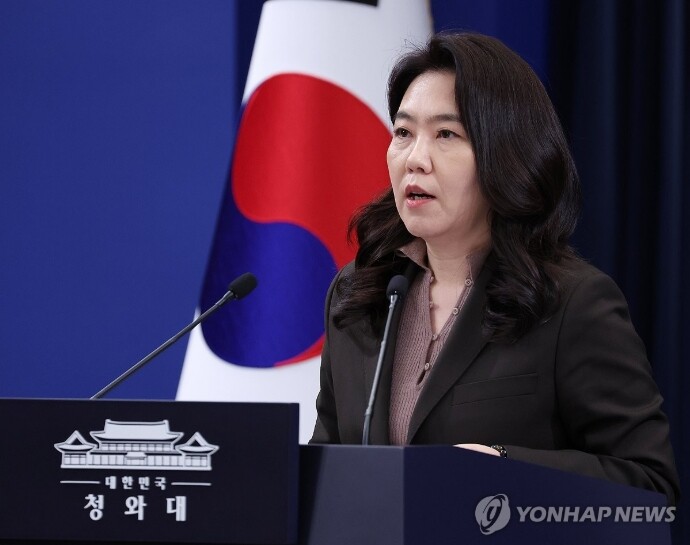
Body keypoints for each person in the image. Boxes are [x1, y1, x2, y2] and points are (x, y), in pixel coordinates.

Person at [309, 31, 680, 504]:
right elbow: (325, 468)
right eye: (403, 133)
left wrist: (504, 466)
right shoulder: (358, 293)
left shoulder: (570, 303)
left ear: (505, 154)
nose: (414, 159)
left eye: (446, 134)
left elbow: (650, 485)